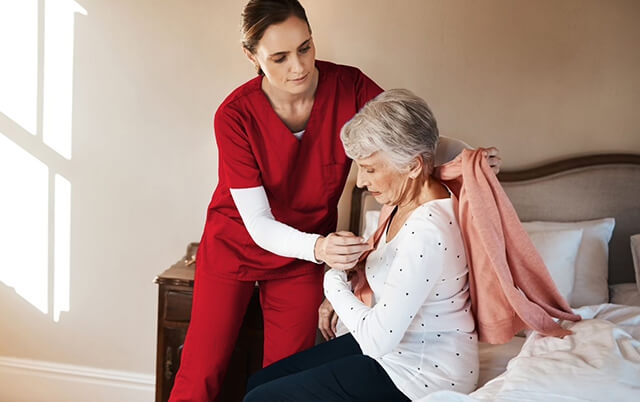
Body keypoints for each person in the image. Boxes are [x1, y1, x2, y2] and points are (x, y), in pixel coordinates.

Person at [169, 1, 499, 400]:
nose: (299, 66)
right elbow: (258, 224)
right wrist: (322, 249)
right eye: (280, 57)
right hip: (238, 245)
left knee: (277, 379)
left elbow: (404, 139)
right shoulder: (234, 116)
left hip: (305, 255)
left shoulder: (351, 87)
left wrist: (465, 157)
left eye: (305, 47)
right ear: (251, 55)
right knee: (201, 371)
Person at [244, 89, 478, 401]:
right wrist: (356, 262)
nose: (360, 182)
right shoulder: (404, 199)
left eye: (369, 168)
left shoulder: (428, 231)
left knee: (261, 399)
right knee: (258, 383)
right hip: (396, 349)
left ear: (412, 166)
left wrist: (332, 280)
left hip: (423, 372)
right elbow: (435, 143)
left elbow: (375, 340)